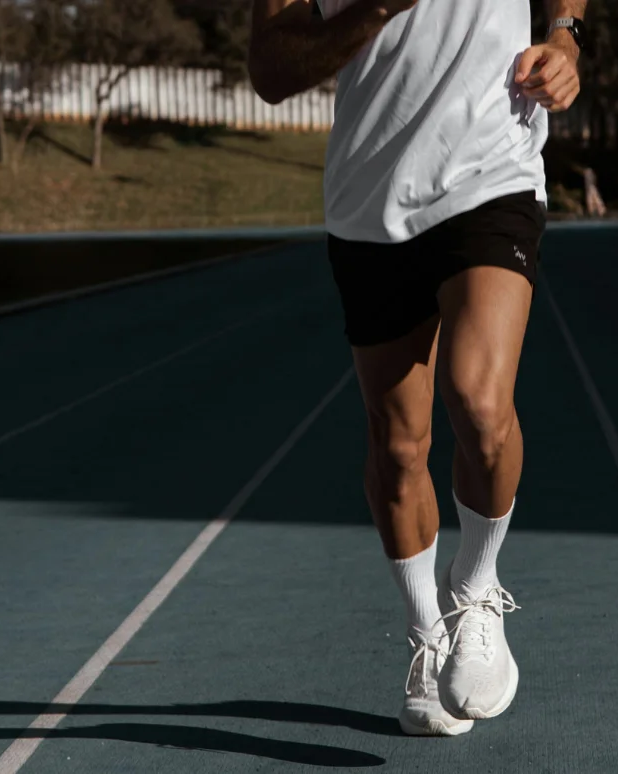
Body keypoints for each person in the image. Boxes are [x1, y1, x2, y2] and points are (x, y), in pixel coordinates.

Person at [248, 0, 586, 737]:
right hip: (371, 203)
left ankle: (475, 589)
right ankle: (428, 635)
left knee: (479, 403)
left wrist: (563, 33)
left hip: (490, 169)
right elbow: (272, 71)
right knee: (399, 444)